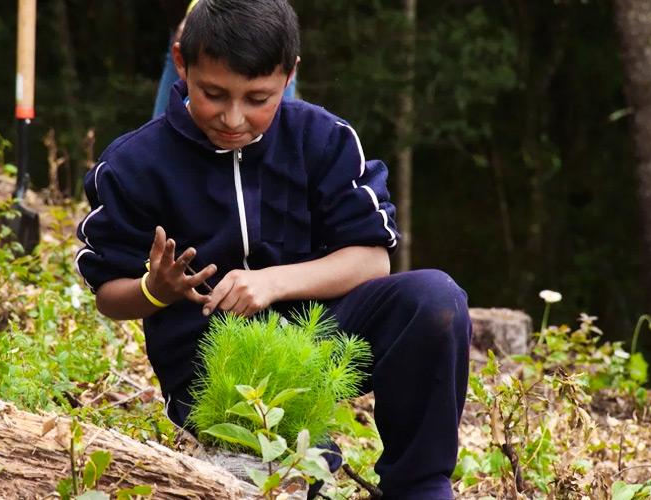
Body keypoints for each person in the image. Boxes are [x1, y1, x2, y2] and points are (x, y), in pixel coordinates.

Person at [75, 0, 471, 498]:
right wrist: (156, 290)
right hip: (216, 369)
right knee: (302, 474)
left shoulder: (323, 139)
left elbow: (373, 258)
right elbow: (109, 294)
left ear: (290, 76)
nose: (233, 117)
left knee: (435, 299)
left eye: (258, 98)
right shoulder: (134, 163)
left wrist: (272, 282)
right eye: (213, 94)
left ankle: (420, 487)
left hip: (321, 338)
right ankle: (304, 458)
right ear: (181, 62)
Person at [152, 0, 296, 118]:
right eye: (213, 95)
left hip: (257, 34)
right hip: (186, 30)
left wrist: (202, 7)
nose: (232, 121)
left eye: (257, 99)